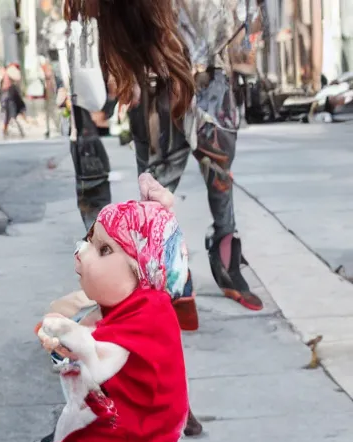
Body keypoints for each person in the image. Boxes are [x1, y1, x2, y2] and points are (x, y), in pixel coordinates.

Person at [19, 177, 190, 442]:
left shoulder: (147, 314)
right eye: (89, 241)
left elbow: (95, 355)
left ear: (140, 269)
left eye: (103, 249)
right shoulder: (139, 299)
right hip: (118, 430)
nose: (83, 253)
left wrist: (67, 337)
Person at [63, 0, 263, 311]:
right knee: (156, 188)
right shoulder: (117, 23)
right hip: (157, 86)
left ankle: (225, 260)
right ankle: (168, 274)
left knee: (219, 174)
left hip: (211, 74)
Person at [0, 62, 26, 138]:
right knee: (11, 113)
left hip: (7, 94)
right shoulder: (11, 70)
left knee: (9, 114)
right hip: (9, 94)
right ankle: (18, 130)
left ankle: (6, 130)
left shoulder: (8, 71)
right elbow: (17, 77)